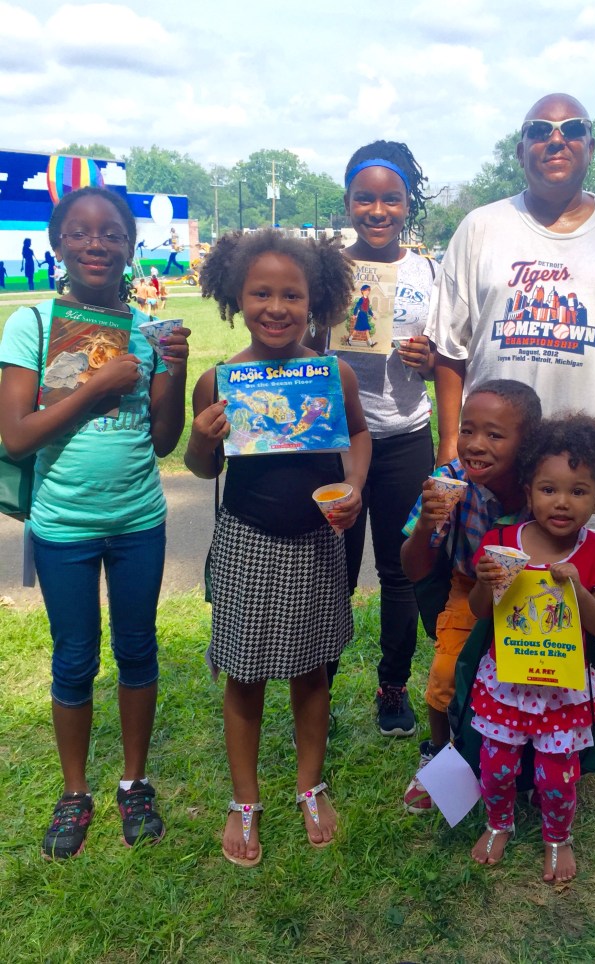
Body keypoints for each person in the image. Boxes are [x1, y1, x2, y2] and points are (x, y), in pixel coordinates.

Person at [0, 185, 191, 860]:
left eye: (111, 234)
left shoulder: (143, 332)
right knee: (74, 658)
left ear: (130, 247)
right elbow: (17, 436)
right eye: (80, 233)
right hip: (64, 525)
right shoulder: (33, 324)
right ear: (58, 244)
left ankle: (134, 781)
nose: (96, 245)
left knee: (138, 652)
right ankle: (75, 791)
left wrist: (176, 365)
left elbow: (164, 441)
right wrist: (96, 386)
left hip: (139, 518)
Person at [185, 229, 370, 867]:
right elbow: (201, 469)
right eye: (260, 292)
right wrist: (203, 438)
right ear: (236, 297)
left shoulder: (332, 373)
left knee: (310, 667)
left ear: (314, 300)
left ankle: (310, 785)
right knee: (245, 673)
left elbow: (361, 434)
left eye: (291, 294)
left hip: (317, 540)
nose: (276, 306)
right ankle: (245, 800)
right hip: (247, 540)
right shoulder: (220, 380)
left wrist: (354, 484)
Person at [427, 92, 595, 541]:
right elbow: (449, 349)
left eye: (573, 129)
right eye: (539, 131)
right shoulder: (481, 227)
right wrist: (449, 442)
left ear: (591, 147)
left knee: (592, 598)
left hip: (588, 477)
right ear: (521, 151)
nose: (556, 140)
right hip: (496, 472)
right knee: (489, 592)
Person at [468, 414, 595, 883]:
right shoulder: (501, 543)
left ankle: (558, 838)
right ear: (527, 490)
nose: (562, 502)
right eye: (548, 488)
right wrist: (487, 582)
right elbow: (482, 613)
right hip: (508, 684)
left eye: (579, 491)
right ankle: (499, 823)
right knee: (496, 765)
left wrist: (578, 590)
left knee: (557, 774)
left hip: (563, 688)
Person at [318, 140, 438, 736]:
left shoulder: (427, 271)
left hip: (405, 434)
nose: (377, 209)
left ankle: (393, 687)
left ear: (407, 203)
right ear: (348, 201)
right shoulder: (324, 268)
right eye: (364, 198)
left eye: (391, 198)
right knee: (332, 568)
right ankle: (321, 682)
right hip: (333, 440)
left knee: (399, 570)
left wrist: (430, 354)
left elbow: (449, 351)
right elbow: (291, 342)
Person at [399, 380, 541, 813]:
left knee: (533, 678)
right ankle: (443, 757)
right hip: (468, 586)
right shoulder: (448, 483)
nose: (476, 445)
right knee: (445, 673)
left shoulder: (543, 483)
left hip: (531, 595)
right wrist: (426, 523)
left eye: (495, 435)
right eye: (467, 430)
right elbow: (413, 568)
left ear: (528, 442)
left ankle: (538, 761)